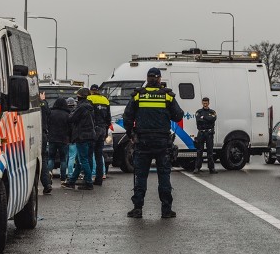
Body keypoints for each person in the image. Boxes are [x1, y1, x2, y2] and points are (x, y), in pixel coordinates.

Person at [124, 67, 184, 218]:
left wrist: (130, 133)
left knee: (141, 176)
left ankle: (137, 208)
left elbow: (127, 116)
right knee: (164, 175)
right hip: (162, 143)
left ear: (147, 78)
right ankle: (166, 210)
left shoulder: (138, 96)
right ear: (159, 79)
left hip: (142, 141)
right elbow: (178, 116)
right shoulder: (167, 96)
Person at [62, 88, 96, 191]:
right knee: (81, 159)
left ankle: (89, 182)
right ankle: (72, 181)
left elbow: (71, 118)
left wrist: (71, 113)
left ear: (79, 96)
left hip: (82, 136)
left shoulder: (81, 107)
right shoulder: (90, 107)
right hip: (91, 135)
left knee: (83, 160)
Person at [87, 84, 111, 185]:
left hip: (93, 129)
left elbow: (87, 116)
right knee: (99, 155)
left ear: (91, 91)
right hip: (102, 129)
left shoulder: (89, 98)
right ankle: (99, 179)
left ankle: (89, 178)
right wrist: (106, 130)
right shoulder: (105, 100)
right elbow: (109, 118)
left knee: (89, 155)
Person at [47, 97, 71, 186]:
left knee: (51, 158)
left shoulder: (51, 113)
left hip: (52, 138)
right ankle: (63, 179)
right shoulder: (67, 114)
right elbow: (70, 127)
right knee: (63, 159)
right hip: (64, 139)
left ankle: (49, 173)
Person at [194, 97, 218, 174]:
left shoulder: (212, 112)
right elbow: (198, 120)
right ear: (202, 103)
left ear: (208, 103)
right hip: (201, 133)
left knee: (210, 151)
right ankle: (197, 168)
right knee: (199, 151)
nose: (205, 104)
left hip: (209, 133)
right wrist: (207, 118)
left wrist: (203, 117)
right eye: (204, 103)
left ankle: (211, 168)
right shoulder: (199, 111)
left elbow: (213, 119)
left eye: (206, 103)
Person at [39, 91, 53, 194]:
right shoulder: (43, 103)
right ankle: (47, 183)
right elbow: (48, 113)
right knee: (43, 159)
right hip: (42, 134)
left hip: (31, 133)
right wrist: (43, 101)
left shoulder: (31, 102)